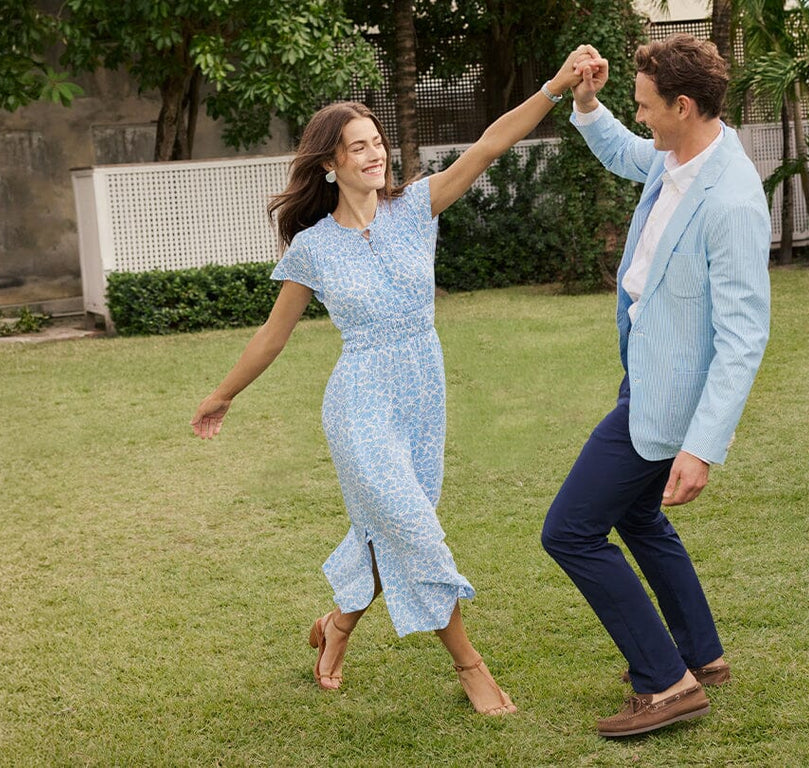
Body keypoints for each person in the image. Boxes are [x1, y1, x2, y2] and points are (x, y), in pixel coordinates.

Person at [190, 48, 592, 715]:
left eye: (377, 142)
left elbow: (490, 144)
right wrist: (223, 393)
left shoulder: (416, 208)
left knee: (390, 530)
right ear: (330, 163)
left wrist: (554, 86)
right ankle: (471, 667)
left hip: (424, 394)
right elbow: (273, 333)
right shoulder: (313, 247)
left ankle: (335, 628)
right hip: (359, 403)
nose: (375, 154)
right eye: (358, 147)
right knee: (412, 529)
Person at [541, 35, 771, 737]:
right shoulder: (677, 158)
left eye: (645, 106)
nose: (639, 117)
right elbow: (621, 151)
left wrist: (701, 447)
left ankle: (665, 683)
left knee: (571, 531)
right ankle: (700, 656)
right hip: (642, 377)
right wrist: (587, 102)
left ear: (683, 104)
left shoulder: (730, 199)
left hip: (666, 404)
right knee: (638, 516)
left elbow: (742, 336)